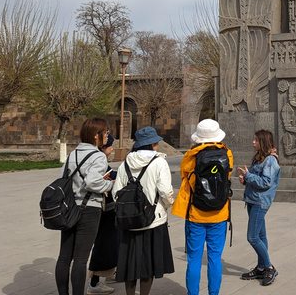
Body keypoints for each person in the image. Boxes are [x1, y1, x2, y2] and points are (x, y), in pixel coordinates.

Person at [171, 119, 232, 295]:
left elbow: (184, 178)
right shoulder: (227, 154)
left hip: (195, 214)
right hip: (219, 214)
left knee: (194, 259)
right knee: (214, 258)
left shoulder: (190, 156)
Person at [55, 118, 115, 295]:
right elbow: (92, 183)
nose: (107, 136)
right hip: (89, 210)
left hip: (69, 209)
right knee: (81, 259)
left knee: (65, 257)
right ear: (96, 136)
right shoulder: (98, 156)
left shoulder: (72, 154)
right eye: (105, 133)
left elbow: (62, 179)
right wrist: (110, 185)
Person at [112, 127, 175, 295]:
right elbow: (165, 191)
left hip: (129, 220)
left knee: (129, 263)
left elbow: (116, 192)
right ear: (153, 144)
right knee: (149, 262)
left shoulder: (126, 162)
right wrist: (166, 206)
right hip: (153, 219)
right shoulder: (159, 162)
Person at [236, 129, 281, 286]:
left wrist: (249, 176)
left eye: (256, 140)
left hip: (260, 202)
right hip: (252, 200)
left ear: (263, 142)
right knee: (261, 236)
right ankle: (261, 267)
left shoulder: (270, 161)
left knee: (252, 237)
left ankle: (269, 266)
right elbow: (258, 180)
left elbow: (266, 182)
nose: (253, 142)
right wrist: (246, 180)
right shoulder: (259, 158)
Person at [86, 133, 120, 294]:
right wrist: (112, 182)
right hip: (101, 209)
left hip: (106, 208)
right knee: (103, 244)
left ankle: (110, 272)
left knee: (112, 242)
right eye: (110, 146)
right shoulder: (98, 158)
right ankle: (94, 283)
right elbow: (100, 180)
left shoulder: (95, 158)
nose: (112, 149)